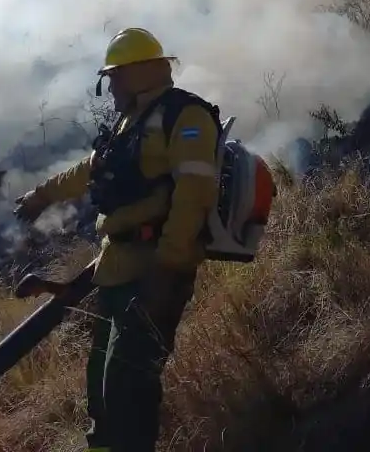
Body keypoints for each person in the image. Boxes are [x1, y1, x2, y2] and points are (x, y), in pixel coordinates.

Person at [14, 27, 220, 452]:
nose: (111, 87)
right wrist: (41, 197)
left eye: (116, 76)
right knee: (102, 390)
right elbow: (89, 169)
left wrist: (168, 271)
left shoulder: (186, 117)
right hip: (117, 271)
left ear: (142, 72)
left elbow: (194, 197)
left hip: (154, 273)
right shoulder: (132, 120)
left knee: (129, 390)